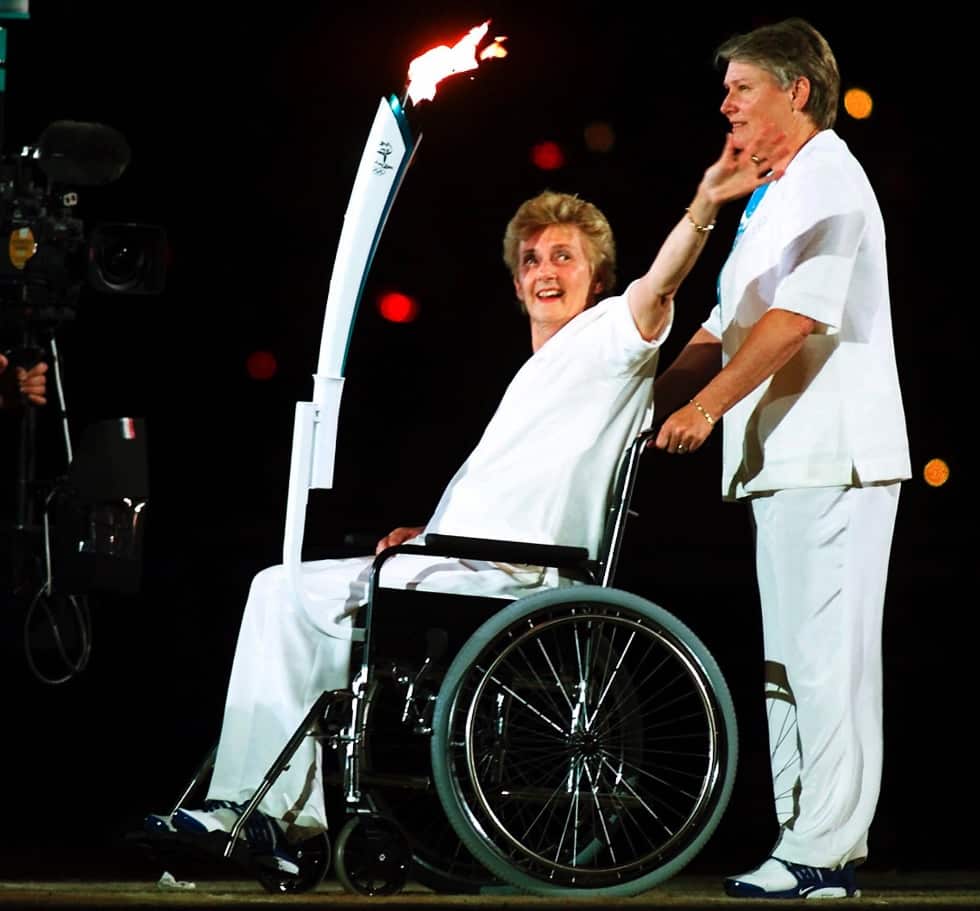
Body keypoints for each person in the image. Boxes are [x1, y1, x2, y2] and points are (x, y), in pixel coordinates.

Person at [144, 132, 785, 873]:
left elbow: (662, 285)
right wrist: (433, 533)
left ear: (597, 276)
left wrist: (704, 205)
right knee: (285, 595)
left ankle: (265, 815)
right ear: (516, 285)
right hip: (460, 562)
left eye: (564, 257)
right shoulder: (532, 376)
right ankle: (276, 816)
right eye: (531, 261)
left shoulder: (611, 340)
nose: (545, 271)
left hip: (512, 581)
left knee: (282, 591)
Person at [651, 17, 910, 901]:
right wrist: (638, 399)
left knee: (827, 657)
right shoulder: (771, 193)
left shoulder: (829, 173)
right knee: (786, 664)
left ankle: (826, 850)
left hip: (834, 454)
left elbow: (796, 317)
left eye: (743, 87)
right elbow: (723, 324)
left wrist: (703, 408)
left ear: (796, 92)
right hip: (781, 459)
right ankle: (798, 838)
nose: (725, 102)